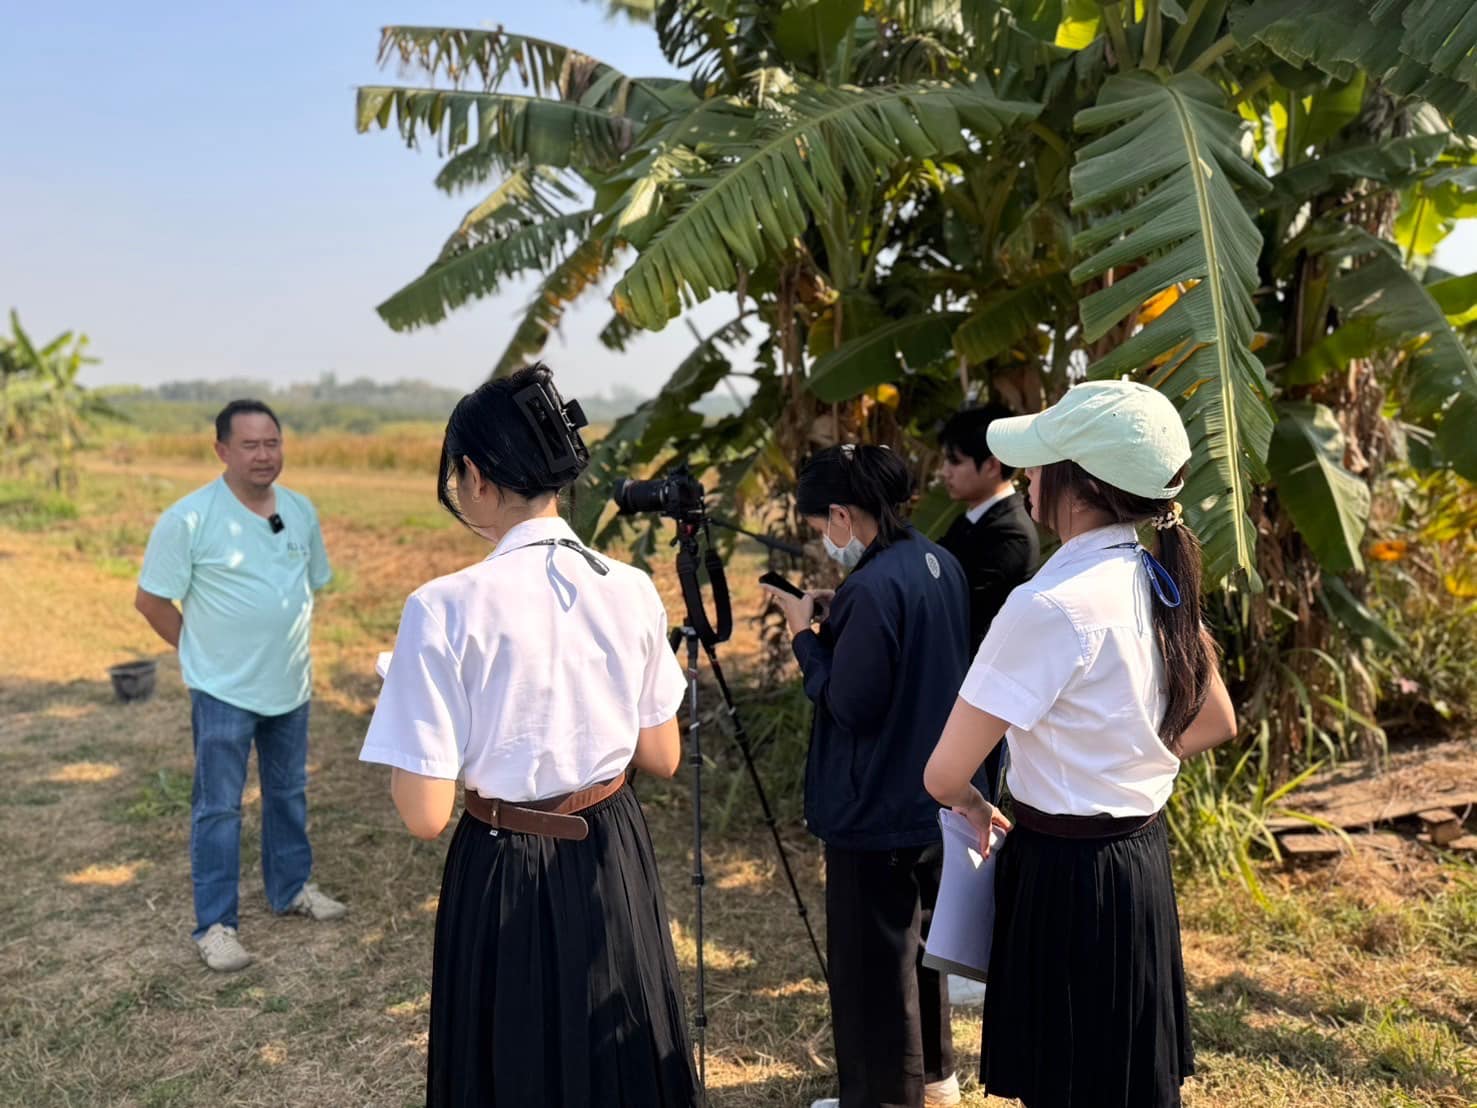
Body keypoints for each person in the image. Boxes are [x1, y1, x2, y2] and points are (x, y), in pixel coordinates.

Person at [358, 365, 698, 1108]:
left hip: (504, 860)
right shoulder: (632, 587)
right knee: (621, 1055)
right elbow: (662, 756)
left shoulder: (441, 608)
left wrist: (405, 698)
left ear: (475, 476)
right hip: (613, 848)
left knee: (515, 1063)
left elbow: (424, 814)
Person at [923, 380, 1239, 1108]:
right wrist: (1126, 754)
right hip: (1139, 861)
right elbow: (1216, 721)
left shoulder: (1046, 605)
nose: (1028, 474)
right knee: (1128, 1077)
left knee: (1066, 1082)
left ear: (1081, 484)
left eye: (1041, 460)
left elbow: (944, 774)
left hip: (1062, 874)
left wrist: (976, 805)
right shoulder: (1157, 576)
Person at [763, 444, 971, 1108]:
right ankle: (934, 1079)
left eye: (821, 525)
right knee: (919, 950)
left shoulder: (871, 588)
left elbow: (851, 704)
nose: (825, 540)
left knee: (871, 967)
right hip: (929, 794)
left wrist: (804, 636)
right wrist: (839, 620)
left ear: (841, 514)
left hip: (872, 803)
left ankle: (882, 1097)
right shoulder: (937, 562)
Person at [135, 399, 345, 974]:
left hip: (290, 686)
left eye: (272, 443)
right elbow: (151, 601)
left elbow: (310, 584)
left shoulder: (299, 510)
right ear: (222, 450)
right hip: (221, 691)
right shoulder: (189, 518)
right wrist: (198, 651)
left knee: (288, 793)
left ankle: (291, 888)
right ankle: (216, 925)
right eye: (249, 445)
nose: (263, 455)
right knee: (218, 809)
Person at [936, 404, 1039, 800]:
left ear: (992, 465)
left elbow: (960, 609)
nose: (945, 472)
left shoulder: (1009, 533)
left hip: (982, 695)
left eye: (955, 461)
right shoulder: (971, 520)